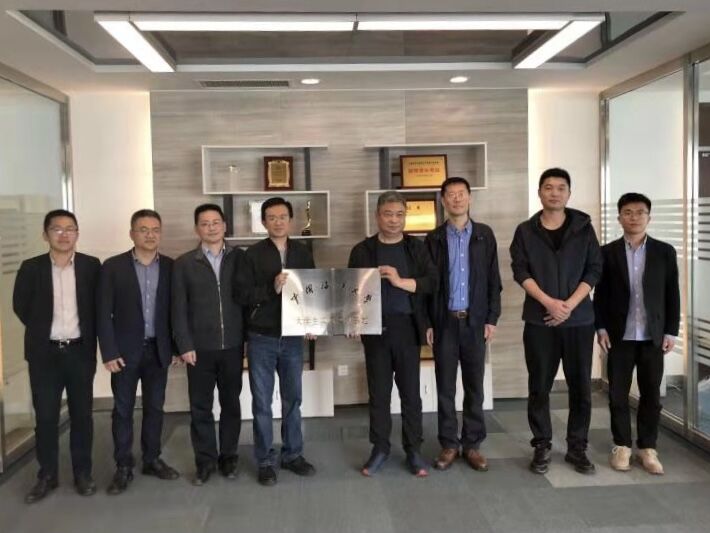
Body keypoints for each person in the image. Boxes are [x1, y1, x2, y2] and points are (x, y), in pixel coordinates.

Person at [509, 168, 602, 475]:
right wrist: (549, 303)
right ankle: (542, 444)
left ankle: (577, 447)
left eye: (561, 188)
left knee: (581, 388)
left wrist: (569, 305)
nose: (554, 193)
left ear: (569, 193)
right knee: (539, 386)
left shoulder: (584, 228)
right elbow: (520, 270)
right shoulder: (526, 230)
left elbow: (594, 269)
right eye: (548, 187)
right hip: (540, 321)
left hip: (579, 321)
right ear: (539, 193)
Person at [13, 209, 101, 503]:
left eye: (70, 229)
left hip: (79, 352)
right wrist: (42, 330)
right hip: (44, 355)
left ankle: (82, 473)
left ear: (77, 233)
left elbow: (98, 307)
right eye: (57, 229)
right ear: (45, 234)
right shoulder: (31, 267)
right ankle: (47, 475)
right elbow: (20, 306)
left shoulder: (91, 266)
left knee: (82, 416)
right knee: (46, 417)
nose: (64, 234)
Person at [348, 191, 437, 477]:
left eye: (399, 214)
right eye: (388, 214)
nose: (394, 220)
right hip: (375, 329)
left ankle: (413, 449)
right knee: (379, 393)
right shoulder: (362, 250)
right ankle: (380, 448)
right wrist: (351, 321)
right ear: (377, 216)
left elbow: (431, 282)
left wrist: (399, 281)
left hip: (407, 328)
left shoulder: (416, 248)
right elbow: (351, 289)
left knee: (411, 393)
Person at [594, 193, 680, 475]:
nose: (634, 217)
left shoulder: (664, 252)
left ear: (649, 217)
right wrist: (600, 327)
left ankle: (647, 447)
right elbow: (600, 295)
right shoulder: (606, 253)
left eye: (640, 212)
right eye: (628, 212)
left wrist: (671, 330)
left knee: (651, 395)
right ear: (619, 218)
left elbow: (672, 293)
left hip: (652, 335)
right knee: (617, 394)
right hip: (619, 335)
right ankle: (621, 446)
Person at [97, 209, 180, 494]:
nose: (150, 235)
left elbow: (175, 311)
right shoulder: (113, 266)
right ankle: (123, 465)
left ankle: (152, 459)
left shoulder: (170, 266)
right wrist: (109, 352)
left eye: (155, 229)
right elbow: (102, 313)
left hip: (158, 350)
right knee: (122, 410)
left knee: (155, 408)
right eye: (143, 229)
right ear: (132, 233)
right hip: (124, 353)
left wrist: (176, 347)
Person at [236, 197, 317, 486]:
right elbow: (243, 295)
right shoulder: (251, 254)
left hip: (293, 338)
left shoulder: (303, 252)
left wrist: (312, 322)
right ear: (263, 222)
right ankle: (265, 460)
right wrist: (271, 288)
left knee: (293, 400)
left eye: (283, 217)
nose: (278, 222)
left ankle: (293, 454)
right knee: (262, 403)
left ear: (291, 220)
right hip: (262, 337)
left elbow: (312, 291)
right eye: (271, 217)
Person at [425, 177, 502, 472]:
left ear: (470, 198)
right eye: (451, 194)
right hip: (444, 322)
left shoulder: (484, 235)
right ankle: (448, 444)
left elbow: (494, 280)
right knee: (445, 387)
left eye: (461, 194)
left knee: (474, 386)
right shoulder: (433, 239)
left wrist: (492, 318)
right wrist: (428, 323)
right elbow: (427, 286)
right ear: (443, 200)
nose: (456, 199)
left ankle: (472, 444)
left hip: (475, 322)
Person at [172, 203, 245, 485]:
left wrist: (248, 340)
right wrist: (184, 344)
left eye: (216, 222)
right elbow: (178, 308)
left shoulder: (240, 258)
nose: (211, 228)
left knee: (231, 405)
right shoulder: (184, 263)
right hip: (199, 349)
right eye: (205, 223)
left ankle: (229, 457)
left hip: (233, 346)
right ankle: (204, 461)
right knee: (200, 407)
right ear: (196, 229)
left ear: (225, 226)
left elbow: (247, 300)